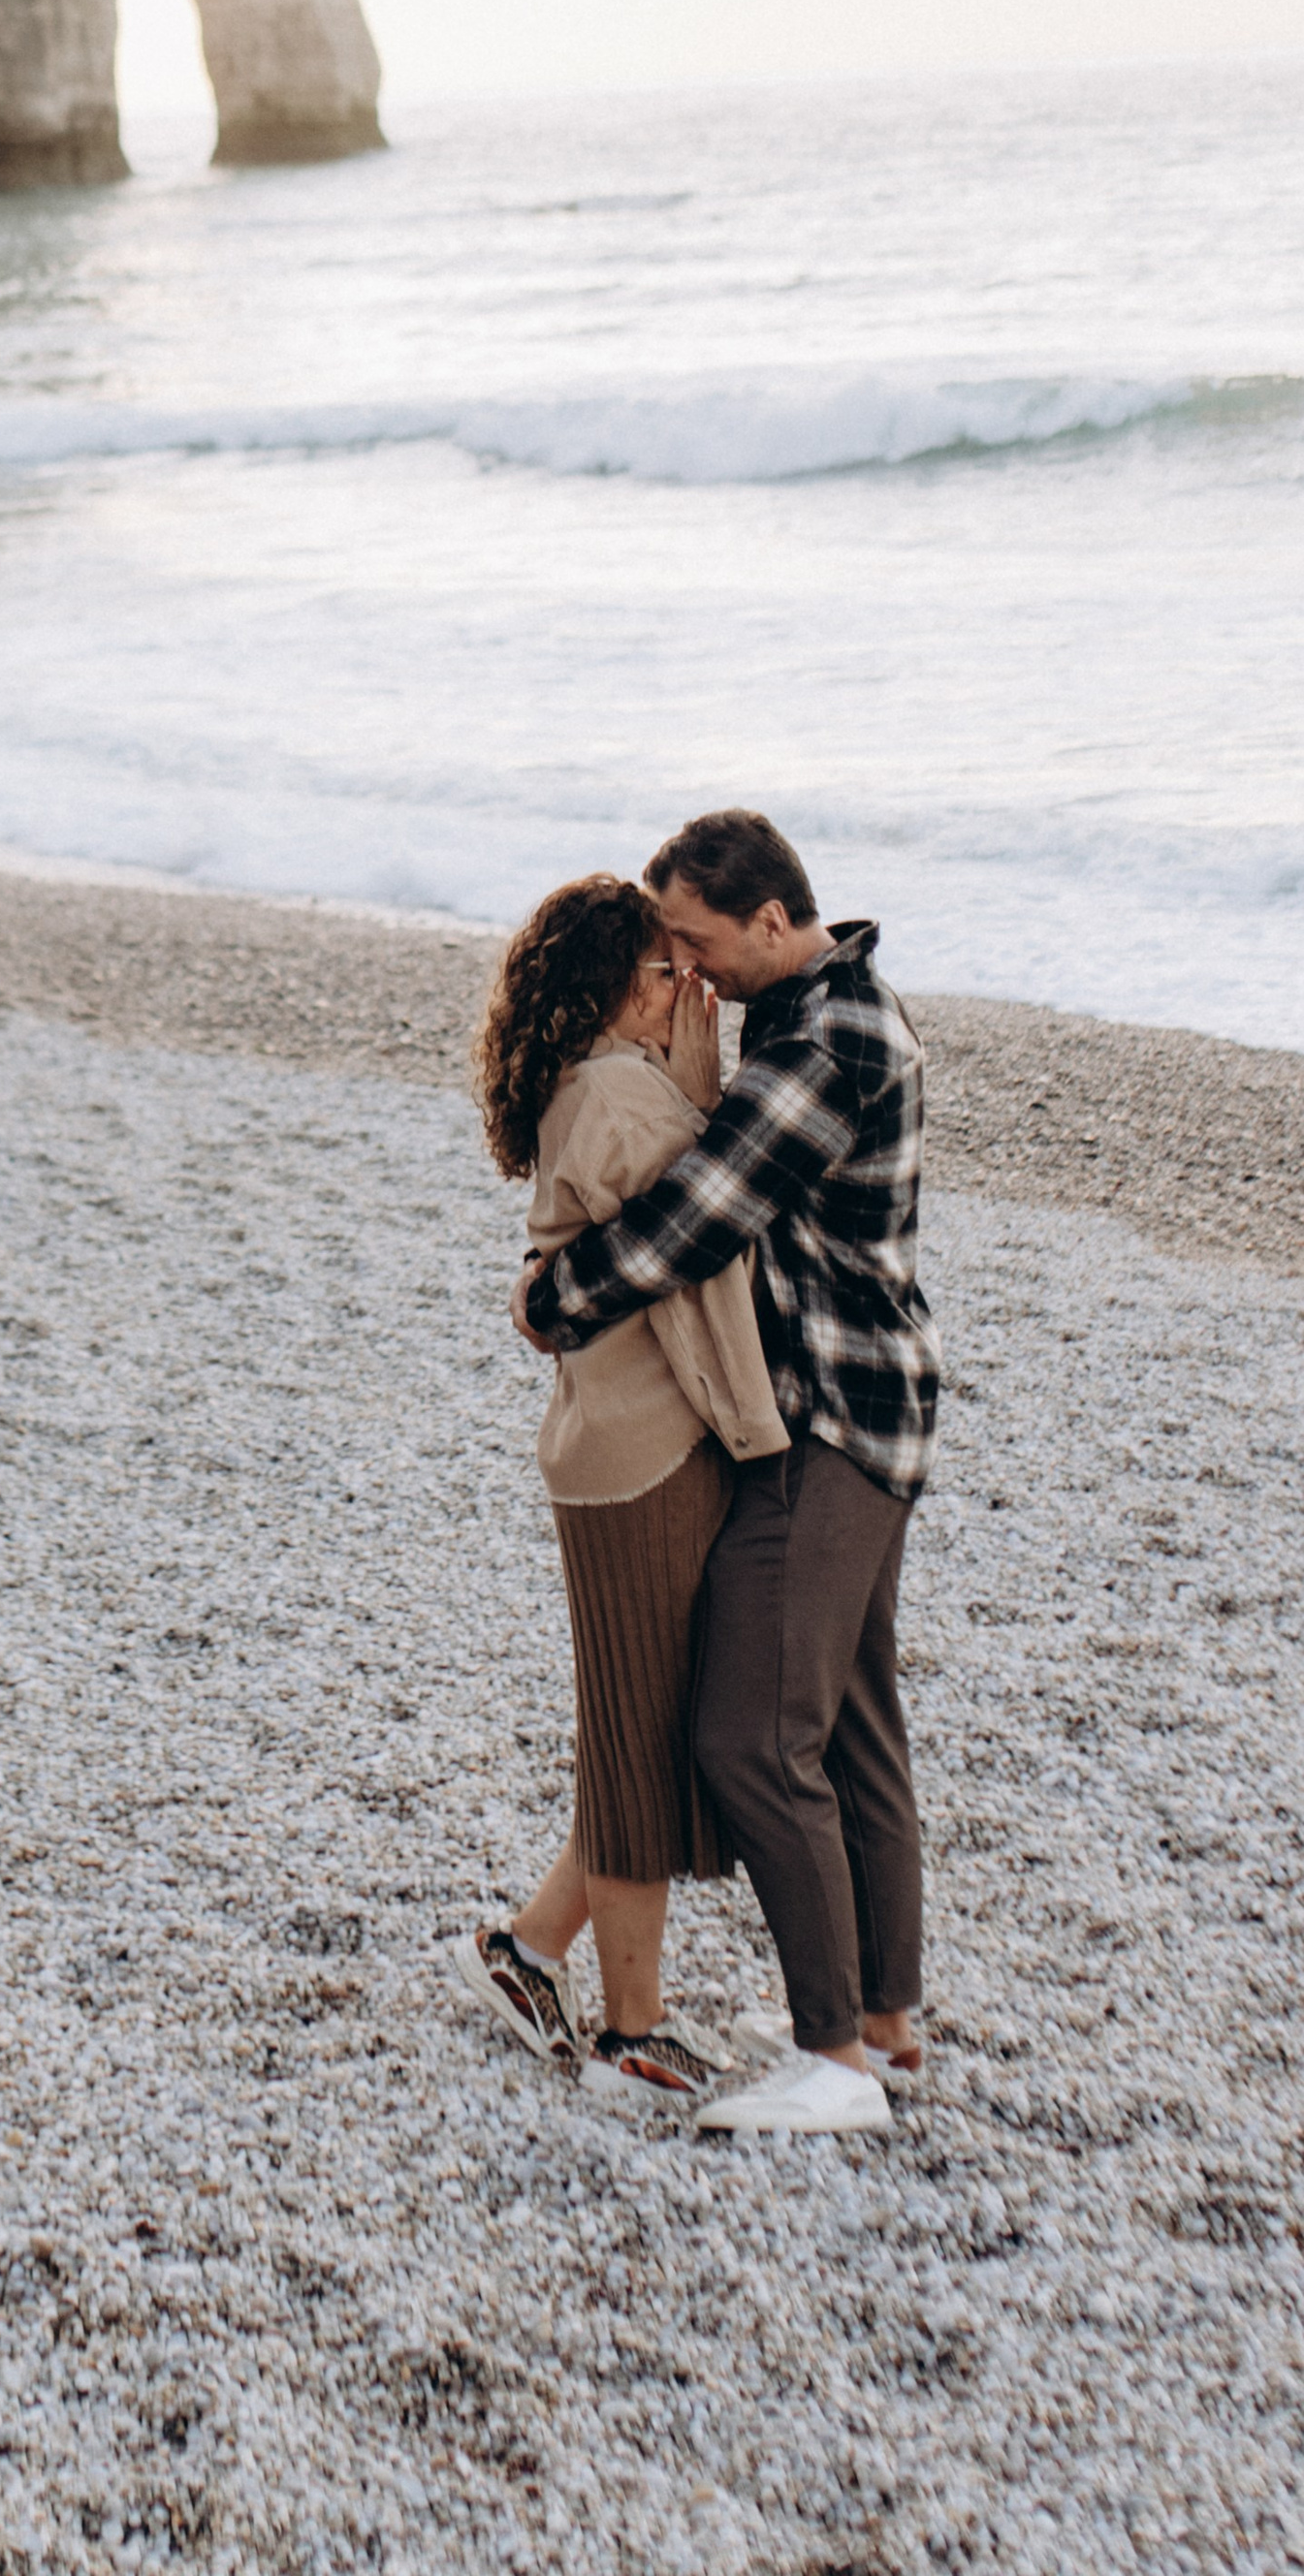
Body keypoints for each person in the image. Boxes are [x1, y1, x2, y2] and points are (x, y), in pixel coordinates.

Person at [512, 809, 938, 2141]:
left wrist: (551, 1299)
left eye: (697, 944)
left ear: (770, 919)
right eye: (666, 958)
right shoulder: (816, 1006)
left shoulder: (819, 1038)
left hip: (830, 1429)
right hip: (865, 1414)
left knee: (752, 1736)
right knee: (853, 1724)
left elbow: (699, 1217)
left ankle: (835, 2062)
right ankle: (881, 2026)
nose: (688, 973)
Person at [451, 874, 789, 2106]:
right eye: (663, 973)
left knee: (641, 1733)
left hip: (618, 1444)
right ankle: (629, 2035)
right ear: (606, 989)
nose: (685, 990)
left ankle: (527, 1951)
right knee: (638, 1745)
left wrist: (690, 1090)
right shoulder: (615, 1092)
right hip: (645, 1454)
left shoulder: (605, 1085)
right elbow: (700, 1270)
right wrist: (758, 1434)